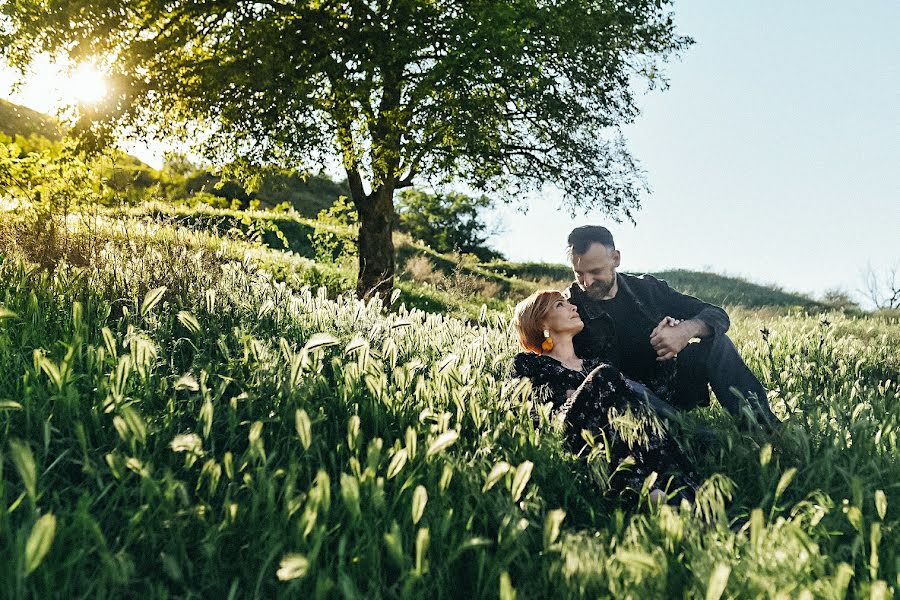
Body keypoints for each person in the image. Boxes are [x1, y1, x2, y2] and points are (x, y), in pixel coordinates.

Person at [564, 225, 780, 431]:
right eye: (579, 273)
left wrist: (685, 331)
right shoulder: (568, 306)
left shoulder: (648, 290)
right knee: (623, 383)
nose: (587, 281)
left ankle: (763, 428)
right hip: (624, 402)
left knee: (718, 343)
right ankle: (692, 434)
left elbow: (718, 315)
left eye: (595, 271)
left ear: (616, 258)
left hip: (672, 385)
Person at [508, 289, 700, 506]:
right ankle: (640, 488)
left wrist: (668, 356)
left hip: (615, 435)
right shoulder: (527, 364)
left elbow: (646, 397)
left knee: (643, 412)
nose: (573, 307)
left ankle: (690, 494)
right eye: (560, 305)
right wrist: (590, 392)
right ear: (541, 323)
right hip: (570, 440)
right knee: (606, 376)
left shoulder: (593, 364)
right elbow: (530, 410)